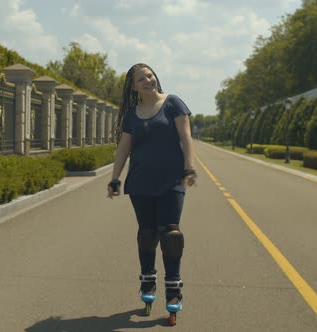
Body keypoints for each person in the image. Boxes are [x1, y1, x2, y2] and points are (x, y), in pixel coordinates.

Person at [106, 63, 197, 324]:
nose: (148, 80)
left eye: (150, 75)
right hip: (140, 182)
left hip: (171, 181)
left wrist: (189, 167)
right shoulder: (132, 116)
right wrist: (114, 179)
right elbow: (123, 148)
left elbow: (186, 136)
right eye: (141, 79)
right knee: (147, 234)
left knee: (170, 234)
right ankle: (148, 284)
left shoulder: (173, 103)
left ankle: (173, 291)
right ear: (133, 87)